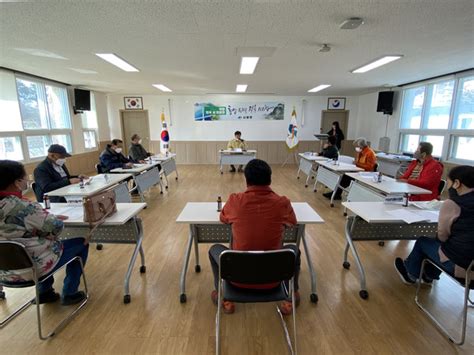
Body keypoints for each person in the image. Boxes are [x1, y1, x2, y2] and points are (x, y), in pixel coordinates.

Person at [208, 159, 301, 315]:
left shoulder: (235, 200)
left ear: (246, 180)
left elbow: (223, 218)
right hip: (273, 279)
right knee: (293, 251)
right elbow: (292, 222)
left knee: (214, 249)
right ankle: (292, 296)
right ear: (270, 179)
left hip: (238, 278)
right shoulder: (282, 203)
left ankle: (224, 297)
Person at [0, 160, 88, 305]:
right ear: (17, 182)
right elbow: (56, 227)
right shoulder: (23, 206)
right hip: (31, 268)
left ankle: (45, 293)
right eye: (24, 177)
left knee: (33, 246)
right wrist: (49, 220)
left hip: (3, 272)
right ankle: (70, 293)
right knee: (81, 243)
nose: (27, 180)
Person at [394, 165, 474, 285]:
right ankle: (429, 275)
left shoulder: (452, 204)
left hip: (461, 269)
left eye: (449, 182)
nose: (448, 185)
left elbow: (442, 236)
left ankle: (410, 273)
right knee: (446, 245)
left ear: (457, 183)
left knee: (424, 241)